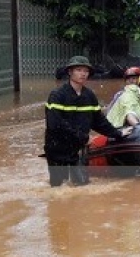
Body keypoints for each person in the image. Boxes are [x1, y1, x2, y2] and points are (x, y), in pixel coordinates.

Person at [43, 56, 130, 187]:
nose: (83, 74)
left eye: (86, 71)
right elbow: (55, 125)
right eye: (79, 70)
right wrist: (83, 137)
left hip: (79, 149)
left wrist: (118, 133)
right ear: (70, 72)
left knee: (82, 185)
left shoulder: (89, 96)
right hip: (58, 149)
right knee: (58, 187)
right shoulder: (57, 95)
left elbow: (99, 121)